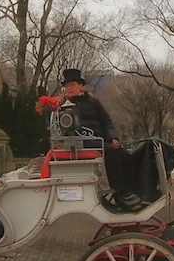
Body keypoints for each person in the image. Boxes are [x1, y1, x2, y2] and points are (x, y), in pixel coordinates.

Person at [58, 68, 141, 211]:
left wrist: (112, 137)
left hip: (99, 140)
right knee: (108, 151)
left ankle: (132, 189)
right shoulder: (64, 107)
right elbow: (62, 129)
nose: (68, 88)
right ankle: (121, 191)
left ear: (81, 86)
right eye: (66, 86)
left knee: (124, 155)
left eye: (71, 85)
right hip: (79, 141)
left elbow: (106, 121)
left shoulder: (93, 102)